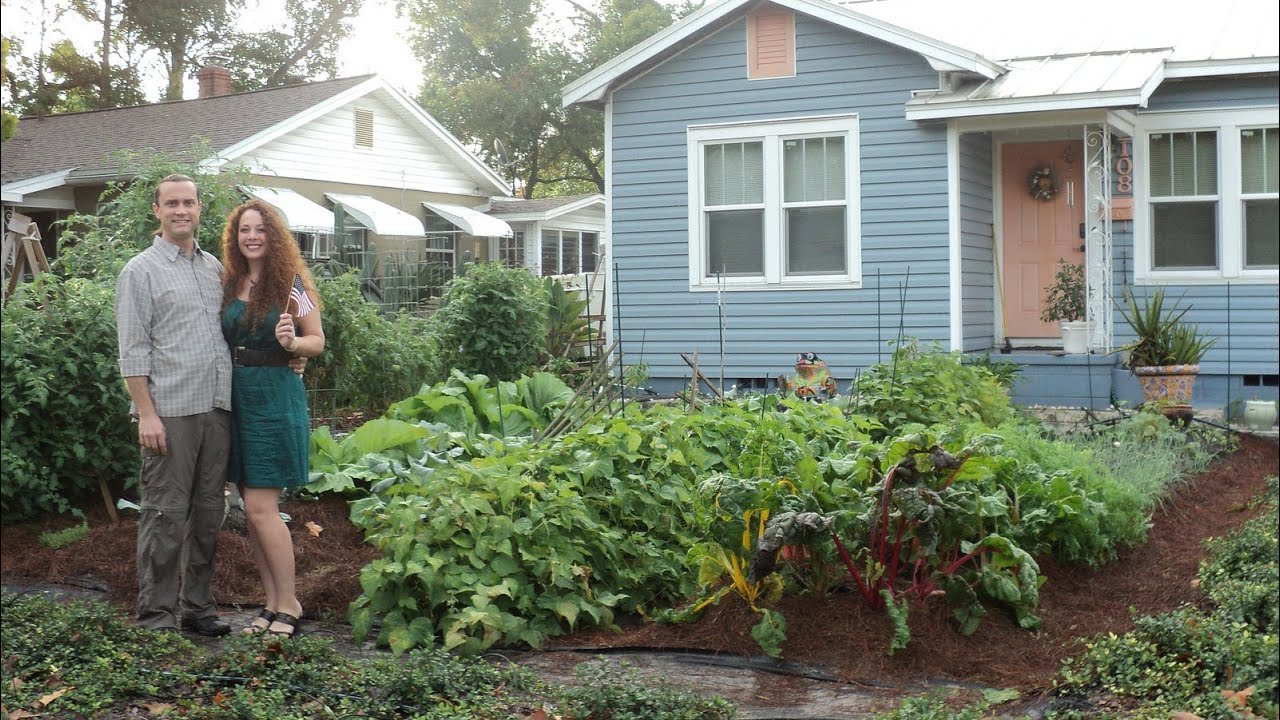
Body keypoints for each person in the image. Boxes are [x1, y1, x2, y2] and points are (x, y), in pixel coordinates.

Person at [115, 174, 234, 636]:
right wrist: (146, 413)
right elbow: (132, 350)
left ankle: (197, 609)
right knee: (164, 514)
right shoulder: (140, 271)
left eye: (188, 202)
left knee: (208, 515)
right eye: (172, 204)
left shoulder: (213, 268)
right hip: (170, 412)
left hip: (216, 409)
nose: (181, 210)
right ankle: (156, 617)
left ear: (200, 208)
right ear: (157, 210)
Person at [218, 199, 325, 637]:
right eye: (244, 229)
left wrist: (294, 346)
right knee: (252, 510)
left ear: (274, 235)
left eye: (260, 229)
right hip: (236, 398)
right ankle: (271, 603)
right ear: (235, 237)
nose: (252, 236)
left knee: (262, 508)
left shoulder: (291, 284)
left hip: (274, 399)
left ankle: (290, 602)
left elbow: (317, 340)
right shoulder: (230, 282)